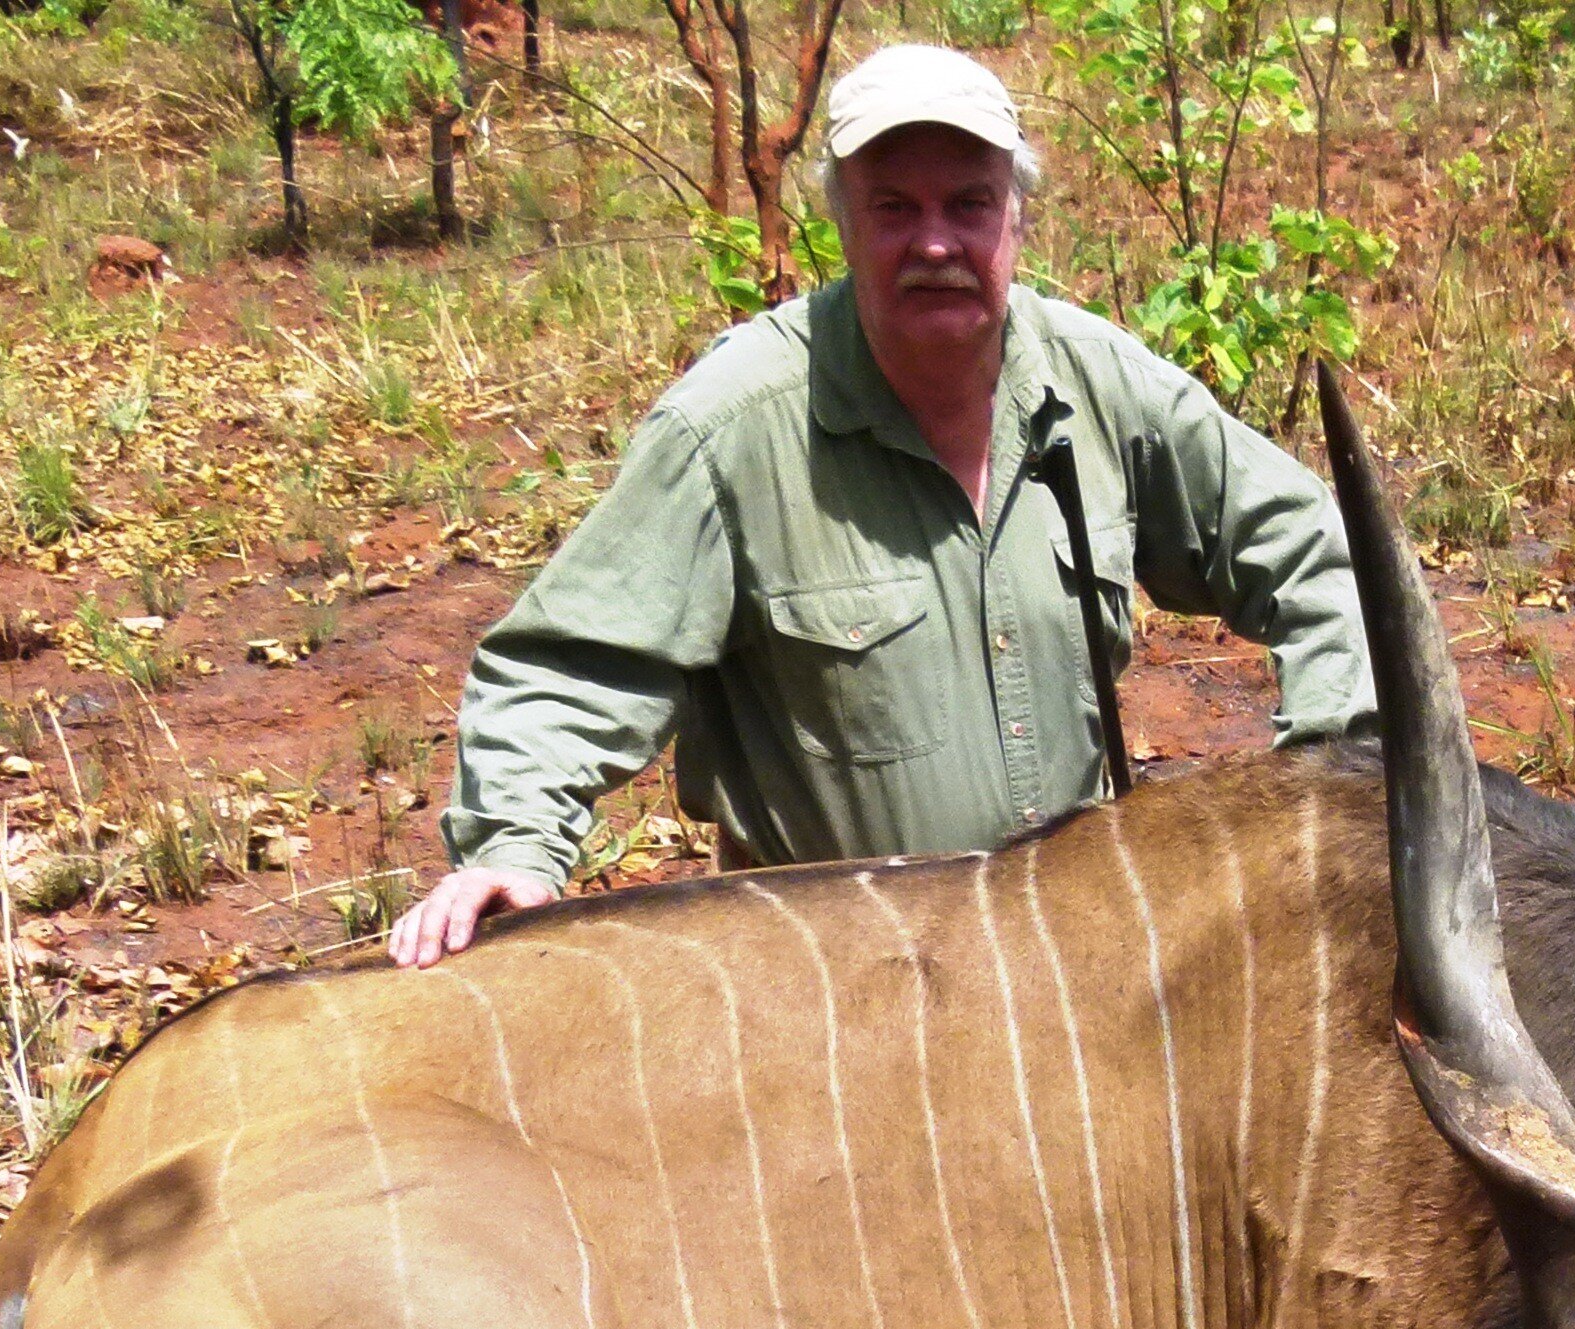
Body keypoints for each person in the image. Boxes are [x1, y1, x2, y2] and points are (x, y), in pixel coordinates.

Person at [390, 43, 1375, 966]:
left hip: (1078, 971)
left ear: (1016, 219)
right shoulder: (732, 426)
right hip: (842, 1000)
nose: (936, 242)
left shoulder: (1097, 383)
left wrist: (1337, 777)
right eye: (894, 206)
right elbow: (572, 662)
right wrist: (514, 846)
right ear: (842, 223)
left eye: (970, 204)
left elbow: (1312, 547)